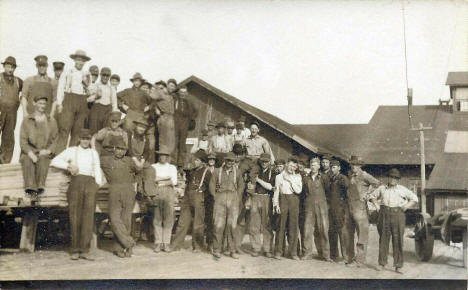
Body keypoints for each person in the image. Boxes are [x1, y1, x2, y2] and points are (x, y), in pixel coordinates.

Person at [50, 128, 103, 260]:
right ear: (79, 138)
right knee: (75, 216)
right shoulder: (72, 151)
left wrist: (97, 184)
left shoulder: (93, 152)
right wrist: (68, 166)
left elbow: (97, 169)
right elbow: (54, 161)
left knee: (88, 216)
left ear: (90, 139)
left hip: (90, 183)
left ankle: (84, 250)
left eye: (88, 138)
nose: (85, 141)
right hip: (76, 182)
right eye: (83, 138)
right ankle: (74, 249)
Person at [368, 168, 418, 274]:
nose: (392, 179)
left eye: (395, 178)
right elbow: (371, 196)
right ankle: (382, 263)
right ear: (388, 177)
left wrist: (405, 207)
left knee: (398, 239)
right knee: (383, 238)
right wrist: (377, 206)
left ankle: (398, 265)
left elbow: (414, 198)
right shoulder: (382, 188)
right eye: (391, 177)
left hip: (398, 214)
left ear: (398, 179)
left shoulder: (402, 189)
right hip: (384, 214)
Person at [100, 136, 143, 258]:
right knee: (114, 219)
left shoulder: (129, 161)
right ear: (113, 148)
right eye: (118, 148)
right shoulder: (105, 160)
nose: (120, 151)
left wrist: (135, 185)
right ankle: (129, 242)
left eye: (123, 149)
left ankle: (121, 249)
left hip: (128, 191)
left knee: (126, 221)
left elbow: (140, 171)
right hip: (114, 190)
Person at [20, 92, 58, 201]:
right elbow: (23, 141)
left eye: (44, 104)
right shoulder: (27, 120)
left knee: (43, 160)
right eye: (40, 103)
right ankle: (31, 189)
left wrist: (48, 151)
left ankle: (40, 187)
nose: (42, 106)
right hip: (30, 152)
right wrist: (31, 154)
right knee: (27, 160)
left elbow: (56, 139)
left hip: (44, 152)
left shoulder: (51, 121)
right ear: (34, 103)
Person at [171, 150, 212, 252]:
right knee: (182, 222)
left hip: (199, 199)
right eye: (195, 160)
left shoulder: (207, 172)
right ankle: (175, 245)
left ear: (203, 162)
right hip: (187, 198)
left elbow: (210, 189)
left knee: (198, 224)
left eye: (197, 160)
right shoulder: (192, 171)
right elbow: (188, 184)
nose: (195, 162)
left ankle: (198, 246)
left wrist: (202, 198)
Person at [345, 155, 380, 267]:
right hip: (350, 207)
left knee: (362, 235)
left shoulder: (364, 175)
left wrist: (368, 194)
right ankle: (349, 258)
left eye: (356, 164)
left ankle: (359, 261)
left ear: (360, 165)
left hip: (360, 208)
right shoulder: (350, 174)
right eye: (352, 164)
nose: (354, 166)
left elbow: (377, 183)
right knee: (348, 233)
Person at [209, 152, 245, 259]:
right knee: (218, 225)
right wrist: (215, 196)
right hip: (220, 198)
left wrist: (237, 197)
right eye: (228, 160)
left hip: (233, 198)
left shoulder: (237, 172)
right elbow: (212, 185)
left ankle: (232, 250)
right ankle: (217, 250)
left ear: (234, 161)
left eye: (232, 161)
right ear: (225, 160)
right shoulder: (217, 171)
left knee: (232, 226)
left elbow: (241, 186)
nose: (230, 162)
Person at [56, 50, 92, 152]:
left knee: (77, 132)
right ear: (75, 60)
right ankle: (59, 156)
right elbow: (60, 88)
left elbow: (90, 90)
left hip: (82, 101)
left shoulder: (87, 74)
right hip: (69, 100)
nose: (80, 62)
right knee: (64, 130)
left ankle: (71, 157)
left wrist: (89, 91)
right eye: (78, 60)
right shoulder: (68, 72)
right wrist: (59, 103)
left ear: (85, 62)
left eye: (82, 61)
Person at [301, 157, 332, 262]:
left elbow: (328, 192)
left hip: (321, 207)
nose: (313, 167)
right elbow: (304, 193)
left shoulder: (324, 177)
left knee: (323, 230)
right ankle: (307, 253)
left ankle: (325, 254)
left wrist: (325, 205)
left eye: (315, 165)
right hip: (309, 207)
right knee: (307, 230)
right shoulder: (306, 178)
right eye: (311, 165)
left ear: (319, 166)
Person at [272, 157, 302, 260]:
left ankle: (293, 253)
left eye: (294, 166)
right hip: (282, 200)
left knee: (293, 227)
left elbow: (298, 191)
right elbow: (276, 192)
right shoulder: (279, 177)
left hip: (294, 200)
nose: (292, 168)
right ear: (286, 165)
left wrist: (290, 180)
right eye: (290, 165)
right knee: (281, 227)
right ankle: (279, 251)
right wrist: (276, 205)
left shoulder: (298, 177)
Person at [149, 146, 178, 253]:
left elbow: (174, 181)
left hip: (168, 193)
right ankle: (158, 243)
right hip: (156, 193)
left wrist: (159, 180)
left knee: (168, 219)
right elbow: (151, 180)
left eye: (165, 155)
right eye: (161, 155)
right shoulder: (153, 167)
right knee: (157, 218)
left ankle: (166, 243)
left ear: (167, 157)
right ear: (158, 156)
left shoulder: (172, 167)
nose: (163, 157)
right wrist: (166, 178)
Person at [248, 153, 275, 258]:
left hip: (267, 198)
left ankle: (267, 249)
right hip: (255, 197)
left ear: (269, 162)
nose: (264, 163)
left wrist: (257, 179)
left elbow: (270, 187)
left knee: (267, 225)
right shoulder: (255, 170)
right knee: (254, 225)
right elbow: (250, 184)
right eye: (262, 161)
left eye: (266, 161)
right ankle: (256, 248)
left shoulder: (273, 172)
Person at [0, 56, 23, 164]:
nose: (10, 69)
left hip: (12, 113)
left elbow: (27, 92)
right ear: (4, 66)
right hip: (0, 111)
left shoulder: (18, 81)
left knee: (8, 137)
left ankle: (5, 161)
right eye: (8, 66)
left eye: (12, 67)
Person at [328, 159, 351, 263]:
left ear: (339, 168)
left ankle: (345, 256)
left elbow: (347, 191)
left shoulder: (343, 178)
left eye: (334, 167)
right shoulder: (331, 178)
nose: (332, 169)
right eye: (331, 167)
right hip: (331, 209)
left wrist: (344, 207)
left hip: (340, 209)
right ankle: (334, 255)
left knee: (342, 232)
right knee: (332, 232)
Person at [88, 67, 118, 134]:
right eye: (103, 75)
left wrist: (114, 116)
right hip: (96, 110)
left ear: (109, 77)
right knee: (93, 131)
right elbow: (88, 100)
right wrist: (96, 96)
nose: (105, 77)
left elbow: (114, 103)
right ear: (100, 75)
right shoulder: (94, 86)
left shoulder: (112, 88)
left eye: (107, 75)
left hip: (107, 112)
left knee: (105, 132)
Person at [173, 85, 197, 167]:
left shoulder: (189, 102)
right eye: (181, 92)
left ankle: (180, 164)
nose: (182, 94)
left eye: (184, 92)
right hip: (175, 124)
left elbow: (195, 112)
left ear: (186, 93)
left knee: (182, 145)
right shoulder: (175, 100)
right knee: (174, 144)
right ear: (178, 93)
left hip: (184, 124)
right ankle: (173, 163)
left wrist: (190, 119)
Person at [153, 80, 176, 157]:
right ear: (167, 86)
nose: (172, 88)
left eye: (173, 86)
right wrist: (155, 108)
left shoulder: (171, 96)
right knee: (163, 142)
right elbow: (152, 96)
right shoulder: (162, 93)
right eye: (170, 85)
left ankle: (167, 161)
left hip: (170, 118)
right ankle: (163, 159)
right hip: (164, 118)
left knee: (170, 142)